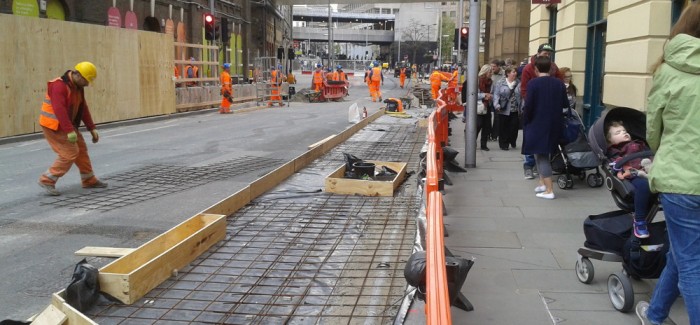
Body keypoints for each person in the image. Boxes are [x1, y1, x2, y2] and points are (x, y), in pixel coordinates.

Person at [636, 3, 700, 324]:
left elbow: (653, 131)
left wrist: (664, 149)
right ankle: (657, 314)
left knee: (690, 262)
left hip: (681, 179)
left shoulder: (669, 68)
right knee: (682, 254)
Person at [37, 61, 107, 196]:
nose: (87, 84)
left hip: (66, 123)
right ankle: (47, 179)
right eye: (86, 81)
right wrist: (69, 131)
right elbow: (59, 110)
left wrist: (91, 127)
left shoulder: (77, 87)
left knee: (81, 149)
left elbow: (83, 108)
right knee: (70, 152)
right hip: (54, 125)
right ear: (78, 75)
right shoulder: (58, 86)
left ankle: (89, 179)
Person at [520, 56, 569, 200]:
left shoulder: (533, 84)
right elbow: (565, 104)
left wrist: (526, 119)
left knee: (541, 156)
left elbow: (528, 105)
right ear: (551, 68)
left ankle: (549, 190)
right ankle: (542, 183)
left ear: (536, 69)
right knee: (541, 153)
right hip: (554, 123)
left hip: (537, 122)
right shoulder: (559, 84)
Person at [605, 122, 652, 238]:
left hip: (648, 169)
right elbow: (614, 164)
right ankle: (639, 221)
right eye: (618, 132)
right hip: (632, 174)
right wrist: (619, 164)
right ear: (611, 141)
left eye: (625, 131)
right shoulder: (615, 149)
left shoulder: (639, 143)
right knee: (643, 185)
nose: (624, 133)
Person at [493, 67, 522, 151]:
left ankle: (512, 140)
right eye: (513, 71)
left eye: (515, 72)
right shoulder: (500, 83)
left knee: (514, 127)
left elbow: (521, 96)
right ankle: (503, 144)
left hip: (515, 109)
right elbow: (496, 94)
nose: (515, 73)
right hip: (504, 108)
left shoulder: (518, 83)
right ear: (508, 73)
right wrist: (496, 105)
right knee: (503, 127)